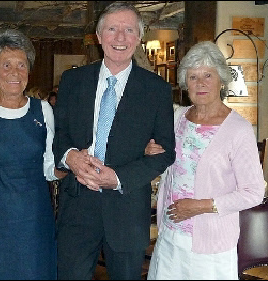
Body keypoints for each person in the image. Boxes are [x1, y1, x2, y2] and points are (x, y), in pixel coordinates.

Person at [53, 2, 176, 279]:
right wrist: (70, 156)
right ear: (99, 36)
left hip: (127, 208)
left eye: (129, 30)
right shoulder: (73, 81)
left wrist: (117, 178)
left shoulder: (156, 90)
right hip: (77, 208)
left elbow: (165, 152)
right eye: (112, 29)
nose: (120, 38)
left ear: (139, 38)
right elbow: (59, 135)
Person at [145, 41, 265, 280]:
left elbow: (254, 192)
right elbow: (168, 163)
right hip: (169, 235)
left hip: (211, 244)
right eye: (192, 77)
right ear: (184, 83)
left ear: (221, 80)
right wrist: (151, 152)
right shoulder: (177, 117)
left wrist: (199, 206)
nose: (200, 83)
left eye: (208, 75)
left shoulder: (238, 130)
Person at [0, 28, 67, 280]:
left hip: (35, 220)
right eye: (6, 65)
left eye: (21, 65)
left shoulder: (42, 111)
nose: (15, 73)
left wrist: (69, 165)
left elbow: (49, 168)